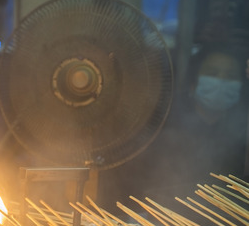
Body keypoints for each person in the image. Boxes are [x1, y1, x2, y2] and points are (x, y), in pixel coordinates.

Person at [104, 42, 248, 207]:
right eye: (213, 73)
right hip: (159, 212)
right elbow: (136, 178)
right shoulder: (164, 119)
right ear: (194, 80)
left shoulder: (241, 131)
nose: (221, 81)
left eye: (230, 76)